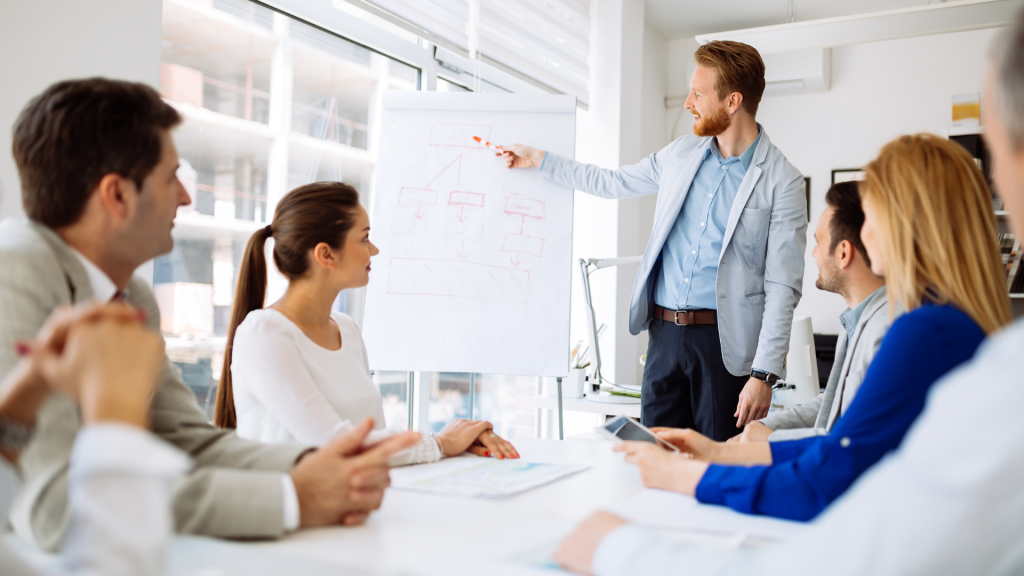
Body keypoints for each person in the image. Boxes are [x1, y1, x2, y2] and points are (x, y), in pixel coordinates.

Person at [556, 12, 1024, 574]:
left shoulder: (918, 328)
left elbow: (833, 455)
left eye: (867, 213)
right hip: (665, 333)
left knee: (689, 494)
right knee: (652, 465)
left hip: (722, 346)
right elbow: (836, 432)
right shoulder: (921, 328)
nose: (842, 238)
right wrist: (730, 453)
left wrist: (743, 412)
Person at [0, 78, 420, 551]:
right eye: (170, 177)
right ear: (117, 196)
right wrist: (291, 498)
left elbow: (186, 439)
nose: (185, 196)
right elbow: (58, 505)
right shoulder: (16, 269)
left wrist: (314, 466)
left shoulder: (131, 294)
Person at [615, 132, 1010, 521]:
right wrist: (719, 453)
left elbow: (833, 466)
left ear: (905, 226)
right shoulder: (945, 324)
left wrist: (693, 475)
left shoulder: (922, 332)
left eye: (871, 216)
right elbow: (842, 441)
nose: (864, 235)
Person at [499, 41, 807, 441]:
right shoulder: (681, 153)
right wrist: (541, 160)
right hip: (663, 337)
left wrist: (764, 374)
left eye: (698, 93)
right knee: (654, 454)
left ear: (732, 101)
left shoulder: (782, 180)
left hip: (723, 348)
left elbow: (782, 286)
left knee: (714, 464)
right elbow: (612, 182)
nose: (687, 103)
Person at [214, 182, 519, 463]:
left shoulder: (346, 329)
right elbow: (337, 445)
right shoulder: (264, 334)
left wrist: (456, 443)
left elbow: (371, 442)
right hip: (293, 515)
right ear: (326, 255)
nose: (374, 250)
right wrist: (441, 443)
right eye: (364, 238)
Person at [736, 181, 888, 444]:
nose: (814, 253)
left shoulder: (886, 331)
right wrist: (763, 427)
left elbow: (855, 438)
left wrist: (770, 441)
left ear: (843, 253)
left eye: (818, 241)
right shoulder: (856, 319)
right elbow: (832, 404)